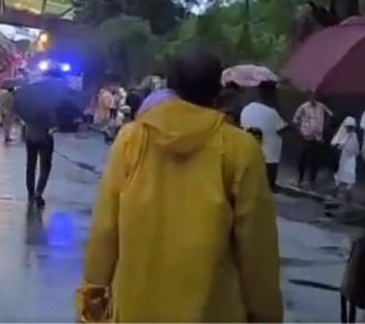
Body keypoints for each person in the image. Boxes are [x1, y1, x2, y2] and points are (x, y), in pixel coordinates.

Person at [76, 44, 282, 323]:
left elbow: (105, 227)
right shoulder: (241, 149)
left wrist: (93, 295)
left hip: (137, 309)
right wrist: (266, 313)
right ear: (218, 91)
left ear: (170, 87)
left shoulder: (131, 139)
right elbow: (257, 246)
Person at [240, 81, 288, 192]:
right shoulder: (271, 112)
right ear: (271, 94)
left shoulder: (247, 108)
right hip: (269, 156)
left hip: (251, 151)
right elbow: (282, 129)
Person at [292, 93, 333, 188]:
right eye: (311, 97)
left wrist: (326, 125)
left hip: (317, 137)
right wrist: (300, 131)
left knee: (315, 160)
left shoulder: (321, 106)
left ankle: (312, 180)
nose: (313, 99)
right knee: (302, 158)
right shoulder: (303, 107)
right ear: (308, 97)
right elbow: (295, 120)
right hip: (306, 137)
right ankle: (300, 178)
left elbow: (331, 115)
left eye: (314, 97)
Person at [23, 107, 57, 208]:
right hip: (45, 137)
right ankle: (38, 192)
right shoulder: (48, 105)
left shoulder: (29, 105)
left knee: (30, 165)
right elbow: (54, 124)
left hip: (30, 136)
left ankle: (30, 193)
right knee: (45, 166)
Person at [332, 116, 359, 197]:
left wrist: (356, 152)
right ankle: (340, 180)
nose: (350, 129)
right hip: (344, 154)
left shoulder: (354, 135)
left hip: (351, 155)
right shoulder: (345, 134)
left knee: (351, 169)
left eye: (351, 127)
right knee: (343, 167)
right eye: (348, 127)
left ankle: (350, 182)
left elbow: (356, 145)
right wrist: (339, 145)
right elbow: (339, 142)